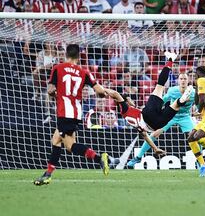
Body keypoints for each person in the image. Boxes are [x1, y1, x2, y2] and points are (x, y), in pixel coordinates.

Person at [33, 44, 110, 186]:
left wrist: (57, 94)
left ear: (66, 55)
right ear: (78, 57)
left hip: (64, 112)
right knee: (55, 140)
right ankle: (48, 174)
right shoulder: (84, 72)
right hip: (76, 112)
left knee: (69, 145)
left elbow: (50, 90)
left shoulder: (57, 68)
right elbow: (100, 92)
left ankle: (99, 158)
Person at [105, 52, 193, 157]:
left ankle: (180, 100)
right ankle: (171, 59)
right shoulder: (125, 111)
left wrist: (155, 149)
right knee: (160, 86)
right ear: (126, 101)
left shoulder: (133, 124)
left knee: (176, 106)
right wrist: (101, 88)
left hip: (156, 125)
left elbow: (146, 136)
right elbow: (115, 94)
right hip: (147, 114)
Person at [127, 72, 196, 167]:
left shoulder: (193, 93)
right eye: (181, 79)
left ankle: (200, 162)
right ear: (178, 81)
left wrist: (199, 111)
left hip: (185, 117)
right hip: (171, 116)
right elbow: (163, 100)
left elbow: (199, 103)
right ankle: (138, 157)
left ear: (188, 81)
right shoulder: (172, 91)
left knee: (195, 136)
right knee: (154, 133)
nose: (183, 81)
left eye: (185, 79)